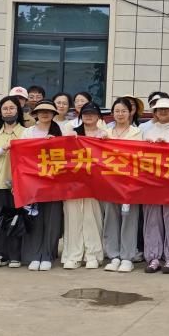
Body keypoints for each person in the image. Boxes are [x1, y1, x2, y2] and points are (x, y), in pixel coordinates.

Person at [140, 95, 169, 272]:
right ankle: (153, 257)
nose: (163, 112)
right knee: (152, 219)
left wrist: (167, 147)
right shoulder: (145, 130)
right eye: (159, 109)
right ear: (154, 112)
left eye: (166, 109)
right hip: (151, 180)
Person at [21, 101, 70, 271]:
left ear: (54, 114)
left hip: (55, 182)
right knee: (35, 217)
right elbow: (22, 155)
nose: (44, 114)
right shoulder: (27, 132)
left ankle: (48, 254)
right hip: (33, 181)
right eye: (41, 111)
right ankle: (35, 254)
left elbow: (70, 154)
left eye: (48, 111)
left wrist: (56, 142)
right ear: (35, 114)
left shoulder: (62, 131)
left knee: (53, 219)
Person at [0, 96, 28, 268]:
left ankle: (15, 255)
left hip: (18, 183)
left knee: (16, 218)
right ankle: (0, 254)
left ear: (18, 110)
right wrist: (3, 149)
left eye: (12, 108)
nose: (8, 111)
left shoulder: (26, 132)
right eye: (5, 108)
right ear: (0, 112)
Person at [62, 102, 106, 270]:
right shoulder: (71, 133)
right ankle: (73, 255)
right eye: (86, 113)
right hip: (73, 182)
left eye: (92, 113)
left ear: (98, 116)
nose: (89, 116)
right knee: (73, 218)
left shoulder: (104, 135)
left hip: (95, 183)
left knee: (92, 218)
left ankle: (93, 255)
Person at [102, 97, 143, 272]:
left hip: (130, 183)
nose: (120, 114)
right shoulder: (105, 133)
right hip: (110, 183)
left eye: (124, 111)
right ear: (112, 113)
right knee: (110, 219)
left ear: (130, 112)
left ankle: (127, 257)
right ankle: (113, 255)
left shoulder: (137, 132)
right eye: (117, 111)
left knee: (129, 219)